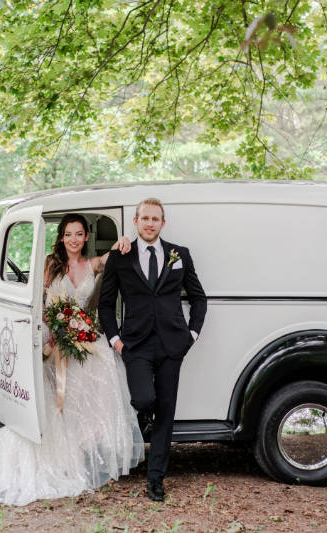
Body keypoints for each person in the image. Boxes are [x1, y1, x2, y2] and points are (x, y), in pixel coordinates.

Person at [0, 214, 143, 506]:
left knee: (103, 364)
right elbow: (39, 302)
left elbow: (114, 254)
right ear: (61, 237)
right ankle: (59, 452)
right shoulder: (50, 264)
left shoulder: (93, 264)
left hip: (79, 336)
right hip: (53, 335)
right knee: (53, 390)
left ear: (85, 237)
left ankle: (83, 449)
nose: (73, 240)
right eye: (68, 234)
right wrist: (55, 329)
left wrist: (124, 240)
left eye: (79, 234)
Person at [98, 197, 207, 502]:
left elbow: (199, 298)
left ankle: (155, 478)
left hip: (173, 344)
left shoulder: (179, 254)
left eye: (155, 219)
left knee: (166, 412)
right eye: (144, 218)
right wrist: (116, 341)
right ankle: (145, 415)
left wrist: (192, 335)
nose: (149, 223)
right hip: (136, 345)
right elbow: (105, 304)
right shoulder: (120, 256)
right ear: (135, 221)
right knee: (144, 398)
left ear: (162, 223)